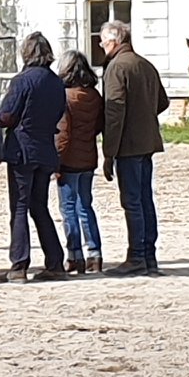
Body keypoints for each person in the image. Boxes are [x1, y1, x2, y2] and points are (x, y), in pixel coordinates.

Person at [0, 33, 69, 283]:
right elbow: (58, 113)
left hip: (22, 149)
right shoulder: (56, 83)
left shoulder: (23, 80)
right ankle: (55, 261)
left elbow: (7, 116)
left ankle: (19, 265)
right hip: (45, 148)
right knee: (39, 206)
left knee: (20, 206)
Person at [99, 20, 168, 276]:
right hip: (147, 141)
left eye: (103, 41)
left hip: (127, 144)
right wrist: (144, 115)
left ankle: (136, 256)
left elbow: (114, 112)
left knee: (132, 202)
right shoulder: (145, 65)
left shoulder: (117, 68)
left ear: (114, 41)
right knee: (145, 200)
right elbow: (162, 101)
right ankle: (149, 256)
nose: (101, 45)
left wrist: (108, 153)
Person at [56, 51, 104, 274]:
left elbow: (63, 134)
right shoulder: (94, 95)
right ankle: (95, 253)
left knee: (68, 208)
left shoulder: (64, 97)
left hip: (69, 159)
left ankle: (75, 255)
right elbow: (98, 126)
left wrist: (57, 161)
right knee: (85, 206)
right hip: (88, 156)